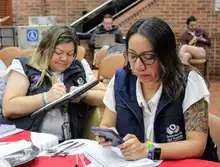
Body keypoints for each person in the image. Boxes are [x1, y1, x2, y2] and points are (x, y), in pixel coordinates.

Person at [97, 17, 219, 162]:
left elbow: (197, 145)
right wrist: (108, 135)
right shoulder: (120, 81)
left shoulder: (189, 81)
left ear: (166, 56)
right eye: (132, 56)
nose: (138, 66)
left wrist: (147, 150)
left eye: (148, 57)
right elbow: (106, 125)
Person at [0, 25, 106, 141]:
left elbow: (106, 96)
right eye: (58, 52)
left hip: (68, 143)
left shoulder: (79, 68)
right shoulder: (25, 66)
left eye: (70, 54)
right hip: (29, 141)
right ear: (45, 49)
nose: (64, 59)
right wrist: (45, 98)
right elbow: (8, 108)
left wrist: (84, 95)